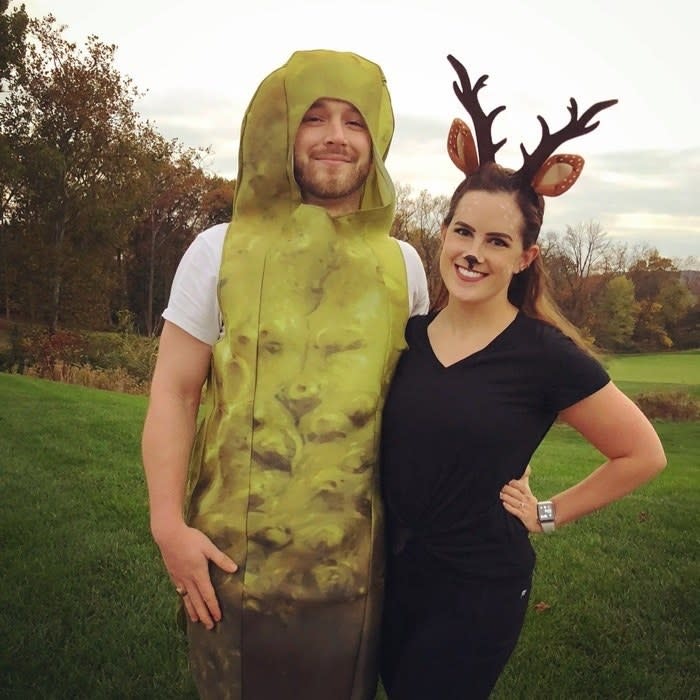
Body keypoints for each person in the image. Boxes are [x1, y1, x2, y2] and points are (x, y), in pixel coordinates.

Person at [141, 50, 430, 699]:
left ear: (376, 139)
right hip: (227, 563)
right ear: (282, 131)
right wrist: (168, 524)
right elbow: (175, 390)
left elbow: (420, 404)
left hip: (354, 570)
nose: (335, 136)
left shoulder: (405, 266)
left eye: (354, 121)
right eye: (315, 117)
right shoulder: (218, 249)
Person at [378, 55, 666, 700]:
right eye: (462, 231)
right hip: (390, 574)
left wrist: (548, 511)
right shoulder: (413, 333)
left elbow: (642, 453)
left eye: (497, 241)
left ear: (525, 256)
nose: (473, 252)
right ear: (444, 234)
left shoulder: (543, 355)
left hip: (477, 588)